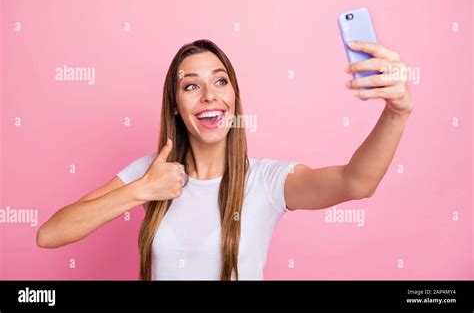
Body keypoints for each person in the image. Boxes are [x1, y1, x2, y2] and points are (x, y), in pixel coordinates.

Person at [36, 39, 413, 280]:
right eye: (190, 86)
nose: (208, 96)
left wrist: (396, 113)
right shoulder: (149, 173)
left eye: (220, 81)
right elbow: (50, 234)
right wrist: (141, 190)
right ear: (176, 106)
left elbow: (356, 183)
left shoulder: (266, 181)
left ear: (234, 96)